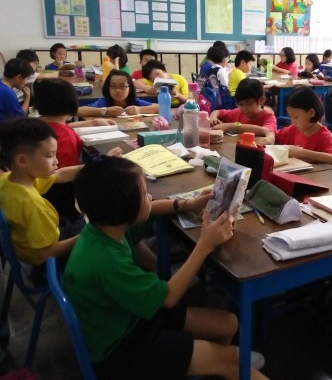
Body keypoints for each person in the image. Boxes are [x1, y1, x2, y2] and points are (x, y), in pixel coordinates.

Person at [63, 156, 269, 380]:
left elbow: (150, 209)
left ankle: (217, 365)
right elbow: (169, 298)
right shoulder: (106, 261)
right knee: (231, 360)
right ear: (125, 208)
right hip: (120, 352)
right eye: (145, 194)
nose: (150, 197)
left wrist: (185, 204)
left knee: (229, 324)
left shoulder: (105, 226)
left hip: (128, 319)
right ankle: (225, 363)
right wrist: (204, 245)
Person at [0, 118, 81, 279]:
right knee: (87, 226)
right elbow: (47, 253)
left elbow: (59, 175)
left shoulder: (8, 179)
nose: (57, 161)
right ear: (22, 160)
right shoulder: (33, 206)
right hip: (43, 259)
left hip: (23, 244)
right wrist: (86, 237)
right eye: (50, 156)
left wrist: (93, 166)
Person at [36, 78, 121, 224]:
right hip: (61, 200)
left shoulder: (39, 124)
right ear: (70, 103)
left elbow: (63, 126)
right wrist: (104, 160)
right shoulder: (65, 137)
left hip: (42, 190)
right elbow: (70, 174)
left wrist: (93, 122)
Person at [275, 86, 332, 167]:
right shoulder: (294, 129)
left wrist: (302, 153)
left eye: (296, 117)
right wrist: (268, 137)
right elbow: (275, 135)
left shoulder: (323, 135)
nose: (293, 122)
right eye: (290, 117)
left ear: (311, 113)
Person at [210, 79, 276, 145]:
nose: (244, 108)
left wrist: (232, 126)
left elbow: (265, 131)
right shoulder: (238, 112)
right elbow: (218, 112)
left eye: (249, 103)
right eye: (241, 104)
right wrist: (213, 118)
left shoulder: (269, 117)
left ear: (261, 100)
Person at [78, 70, 158, 118]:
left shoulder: (134, 102)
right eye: (113, 86)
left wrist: (140, 109)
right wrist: (106, 111)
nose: (118, 90)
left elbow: (159, 107)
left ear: (130, 88)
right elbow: (79, 111)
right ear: (108, 88)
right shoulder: (104, 102)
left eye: (122, 86)